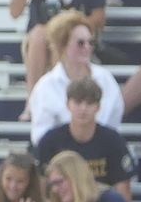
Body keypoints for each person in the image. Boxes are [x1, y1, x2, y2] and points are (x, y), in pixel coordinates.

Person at [13, 0, 105, 101]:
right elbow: (14, 11)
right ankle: (33, 101)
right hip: (40, 40)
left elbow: (99, 16)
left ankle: (67, 99)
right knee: (39, 35)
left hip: (72, 34)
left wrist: (71, 27)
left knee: (67, 39)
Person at [27, 9, 123, 147]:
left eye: (91, 42)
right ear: (62, 45)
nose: (87, 47)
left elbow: (114, 125)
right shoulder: (45, 86)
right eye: (80, 43)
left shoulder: (105, 79)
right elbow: (41, 137)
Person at [33, 75, 134, 202]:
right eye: (78, 102)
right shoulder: (50, 141)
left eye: (89, 103)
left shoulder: (113, 141)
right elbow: (41, 189)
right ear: (68, 104)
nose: (83, 108)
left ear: (98, 107)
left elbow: (123, 192)